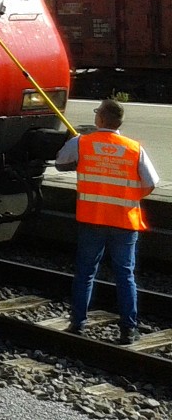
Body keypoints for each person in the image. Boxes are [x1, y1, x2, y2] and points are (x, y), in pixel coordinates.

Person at [55, 98, 160, 344]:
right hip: (124, 221)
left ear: (101, 119)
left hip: (92, 220)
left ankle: (78, 324)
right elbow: (151, 183)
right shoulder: (134, 148)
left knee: (86, 273)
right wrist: (130, 197)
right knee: (125, 275)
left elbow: (60, 162)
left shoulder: (82, 142)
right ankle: (128, 330)